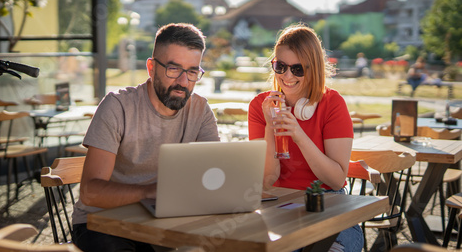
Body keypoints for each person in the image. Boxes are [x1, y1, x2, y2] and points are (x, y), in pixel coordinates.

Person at [72, 23, 220, 252]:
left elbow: (212, 177)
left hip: (163, 221)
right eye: (173, 69)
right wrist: (151, 191)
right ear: (151, 67)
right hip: (102, 223)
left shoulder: (200, 110)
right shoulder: (117, 106)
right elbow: (91, 193)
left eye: (192, 72)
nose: (183, 82)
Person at [248, 24, 363, 252]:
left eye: (297, 69)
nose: (287, 76)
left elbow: (335, 179)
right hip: (279, 205)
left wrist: (299, 135)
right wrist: (271, 127)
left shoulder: (332, 104)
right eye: (280, 66)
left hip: (327, 202)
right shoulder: (260, 106)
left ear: (313, 69)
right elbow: (268, 180)